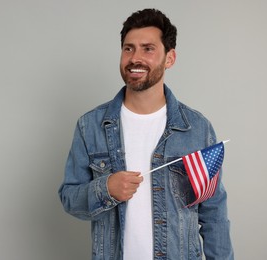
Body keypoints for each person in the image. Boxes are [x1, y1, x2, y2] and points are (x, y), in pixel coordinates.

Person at [58, 8, 234, 260]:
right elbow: (69, 198)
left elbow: (214, 214)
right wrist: (105, 189)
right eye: (128, 48)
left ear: (169, 58)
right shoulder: (90, 125)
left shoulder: (196, 127)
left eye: (148, 49)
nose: (135, 58)